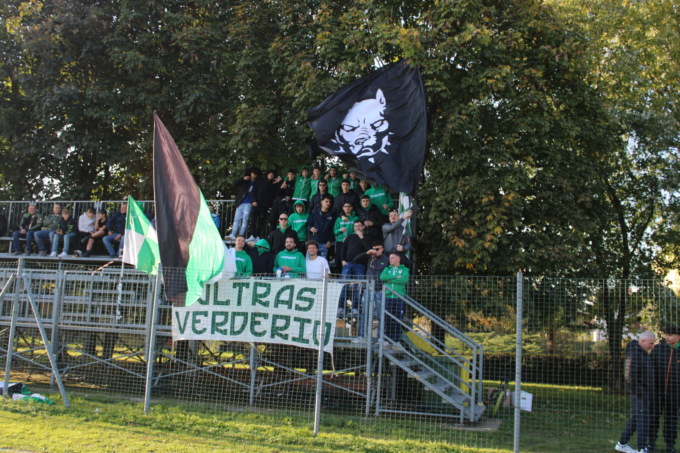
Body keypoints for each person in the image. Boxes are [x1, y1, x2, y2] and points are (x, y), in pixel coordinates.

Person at [616, 331, 656, 453]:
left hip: (644, 392)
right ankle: (641, 448)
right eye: (651, 343)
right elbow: (629, 376)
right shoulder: (634, 354)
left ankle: (622, 443)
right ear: (642, 341)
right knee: (643, 420)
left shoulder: (643, 354)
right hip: (639, 393)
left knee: (636, 418)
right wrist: (640, 392)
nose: (652, 346)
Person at [649, 326, 680, 453]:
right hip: (657, 392)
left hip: (675, 393)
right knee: (653, 417)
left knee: (671, 419)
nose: (667, 337)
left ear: (678, 337)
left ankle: (670, 445)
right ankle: (650, 443)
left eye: (670, 335)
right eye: (666, 334)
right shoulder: (658, 349)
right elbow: (650, 368)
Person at [338, 219, 371, 317]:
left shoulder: (367, 237)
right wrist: (342, 260)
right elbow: (343, 249)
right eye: (355, 226)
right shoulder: (350, 237)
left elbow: (368, 249)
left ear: (363, 227)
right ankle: (341, 307)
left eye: (359, 226)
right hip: (348, 264)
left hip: (361, 265)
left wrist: (362, 237)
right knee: (343, 285)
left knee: (358, 287)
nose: (357, 228)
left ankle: (355, 308)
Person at [357, 242, 390, 338]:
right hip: (368, 289)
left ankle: (380, 337)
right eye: (374, 249)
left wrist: (385, 287)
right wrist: (366, 253)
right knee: (364, 313)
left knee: (381, 314)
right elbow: (354, 259)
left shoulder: (387, 259)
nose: (375, 251)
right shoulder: (370, 257)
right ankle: (362, 335)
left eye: (377, 249)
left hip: (380, 290)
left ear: (382, 249)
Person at [379, 252, 410, 342]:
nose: (390, 259)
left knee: (397, 319)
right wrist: (396, 277)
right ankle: (386, 339)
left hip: (399, 297)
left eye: (392, 257)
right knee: (387, 319)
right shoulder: (387, 268)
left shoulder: (405, 269)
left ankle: (396, 340)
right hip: (387, 297)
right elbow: (382, 277)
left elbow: (403, 280)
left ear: (398, 259)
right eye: (390, 258)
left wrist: (389, 280)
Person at [227, 167, 260, 240]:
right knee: (236, 218)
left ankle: (241, 235)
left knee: (245, 219)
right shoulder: (245, 181)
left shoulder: (257, 183)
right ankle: (233, 234)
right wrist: (242, 179)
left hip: (249, 203)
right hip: (241, 202)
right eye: (253, 173)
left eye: (255, 174)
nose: (253, 175)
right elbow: (234, 184)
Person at [307, 194, 335, 259]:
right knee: (310, 262)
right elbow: (308, 225)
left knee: (323, 263)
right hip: (314, 243)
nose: (328, 203)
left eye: (329, 202)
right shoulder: (314, 213)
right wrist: (311, 228)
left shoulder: (332, 215)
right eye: (326, 201)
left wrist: (329, 241)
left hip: (325, 244)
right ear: (321, 202)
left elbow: (332, 230)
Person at [333, 202, 359, 273]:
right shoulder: (339, 219)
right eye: (345, 206)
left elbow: (357, 230)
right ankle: (338, 274)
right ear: (343, 208)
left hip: (351, 242)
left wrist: (348, 238)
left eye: (349, 206)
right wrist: (339, 230)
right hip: (340, 241)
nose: (347, 208)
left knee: (348, 258)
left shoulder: (355, 218)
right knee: (338, 258)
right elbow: (334, 231)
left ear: (352, 208)